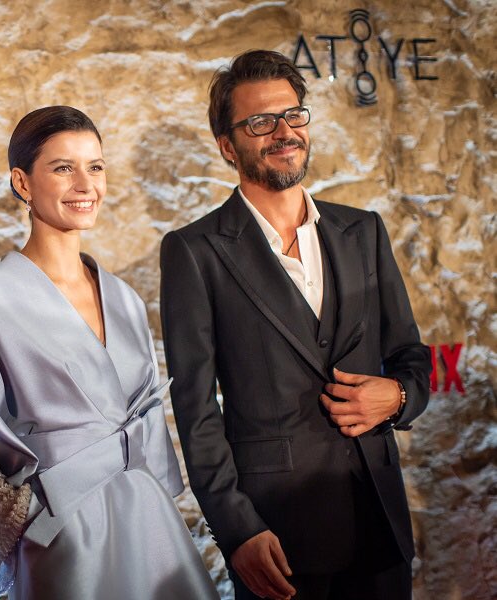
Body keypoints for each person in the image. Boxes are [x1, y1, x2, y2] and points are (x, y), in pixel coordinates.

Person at [0, 106, 218, 600]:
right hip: (61, 530)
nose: (85, 184)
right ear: (22, 183)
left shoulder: (125, 299)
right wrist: (26, 516)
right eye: (63, 168)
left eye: (95, 166)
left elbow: (148, 423)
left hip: (149, 520)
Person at [160, 50, 431, 600]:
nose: (284, 132)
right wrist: (236, 529)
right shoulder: (194, 252)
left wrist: (400, 397)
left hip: (380, 525)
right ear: (227, 146)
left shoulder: (364, 231)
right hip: (278, 538)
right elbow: (195, 408)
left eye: (292, 115)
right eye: (261, 122)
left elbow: (411, 356)